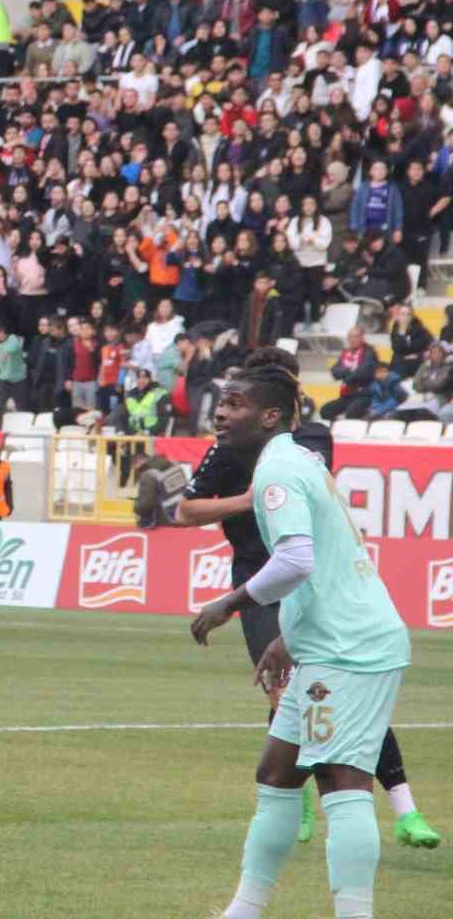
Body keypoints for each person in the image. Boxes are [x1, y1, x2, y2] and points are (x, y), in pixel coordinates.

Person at [176, 349, 439, 852]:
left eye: (236, 401)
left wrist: (227, 603)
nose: (223, 414)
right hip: (261, 579)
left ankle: (402, 807)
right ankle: (289, 797)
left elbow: (298, 554)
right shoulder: (235, 448)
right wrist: (245, 500)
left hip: (306, 586)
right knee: (283, 697)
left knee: (341, 732)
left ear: (275, 405)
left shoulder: (305, 444)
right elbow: (187, 509)